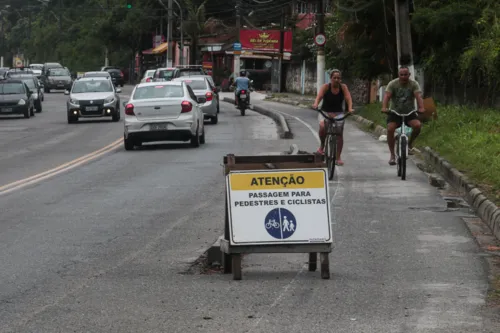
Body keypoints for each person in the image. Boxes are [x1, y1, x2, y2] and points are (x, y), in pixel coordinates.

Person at [381, 66, 425, 165]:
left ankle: (409, 144)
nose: (404, 77)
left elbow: (418, 96)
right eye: (401, 75)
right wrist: (384, 107)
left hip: (409, 112)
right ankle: (392, 155)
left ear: (409, 75)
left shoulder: (414, 84)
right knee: (390, 129)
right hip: (395, 113)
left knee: (417, 126)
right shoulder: (393, 84)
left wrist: (421, 107)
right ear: (399, 75)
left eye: (406, 75)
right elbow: (387, 96)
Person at [312, 69, 354, 166]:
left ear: (340, 79)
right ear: (330, 78)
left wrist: (350, 108)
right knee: (323, 127)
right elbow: (319, 97)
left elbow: (348, 98)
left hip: (338, 113)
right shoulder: (326, 87)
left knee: (339, 133)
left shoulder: (343, 87)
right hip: (325, 112)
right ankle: (322, 146)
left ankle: (338, 157)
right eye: (334, 78)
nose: (336, 80)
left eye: (338, 78)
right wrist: (315, 104)